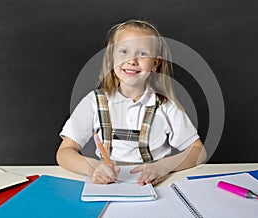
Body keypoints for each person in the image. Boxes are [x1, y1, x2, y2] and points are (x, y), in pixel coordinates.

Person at [56, 19, 206, 186]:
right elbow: (64, 153)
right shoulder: (94, 102)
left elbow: (199, 152)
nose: (132, 60)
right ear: (112, 57)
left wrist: (164, 166)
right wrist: (93, 168)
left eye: (142, 53)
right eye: (124, 51)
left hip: (155, 186)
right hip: (107, 185)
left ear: (155, 63)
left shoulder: (165, 105)